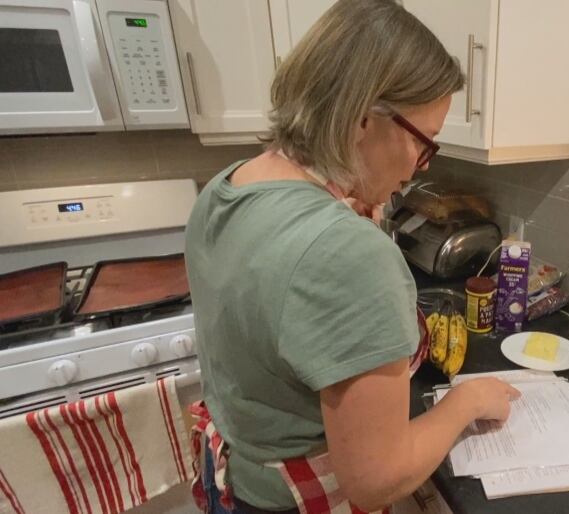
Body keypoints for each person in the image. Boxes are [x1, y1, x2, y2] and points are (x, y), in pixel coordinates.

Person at [184, 1, 520, 513]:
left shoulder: (225, 186)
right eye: (425, 142)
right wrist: (466, 402)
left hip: (233, 482)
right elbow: (377, 480)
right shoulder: (346, 252)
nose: (418, 169)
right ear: (364, 117)